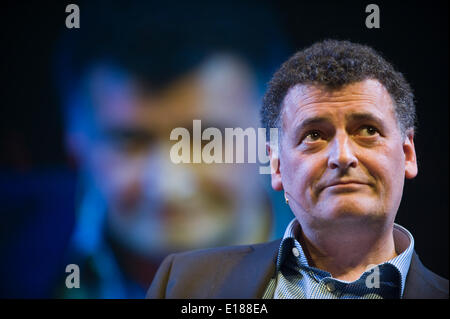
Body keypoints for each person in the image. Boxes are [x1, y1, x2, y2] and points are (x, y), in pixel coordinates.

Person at [147, 40, 449, 299]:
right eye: (314, 135)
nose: (342, 156)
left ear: (407, 153)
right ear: (276, 165)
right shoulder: (184, 284)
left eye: (367, 130)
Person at [53, 1, 286, 298]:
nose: (168, 187)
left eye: (207, 139)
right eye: (128, 141)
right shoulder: (13, 258)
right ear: (75, 144)